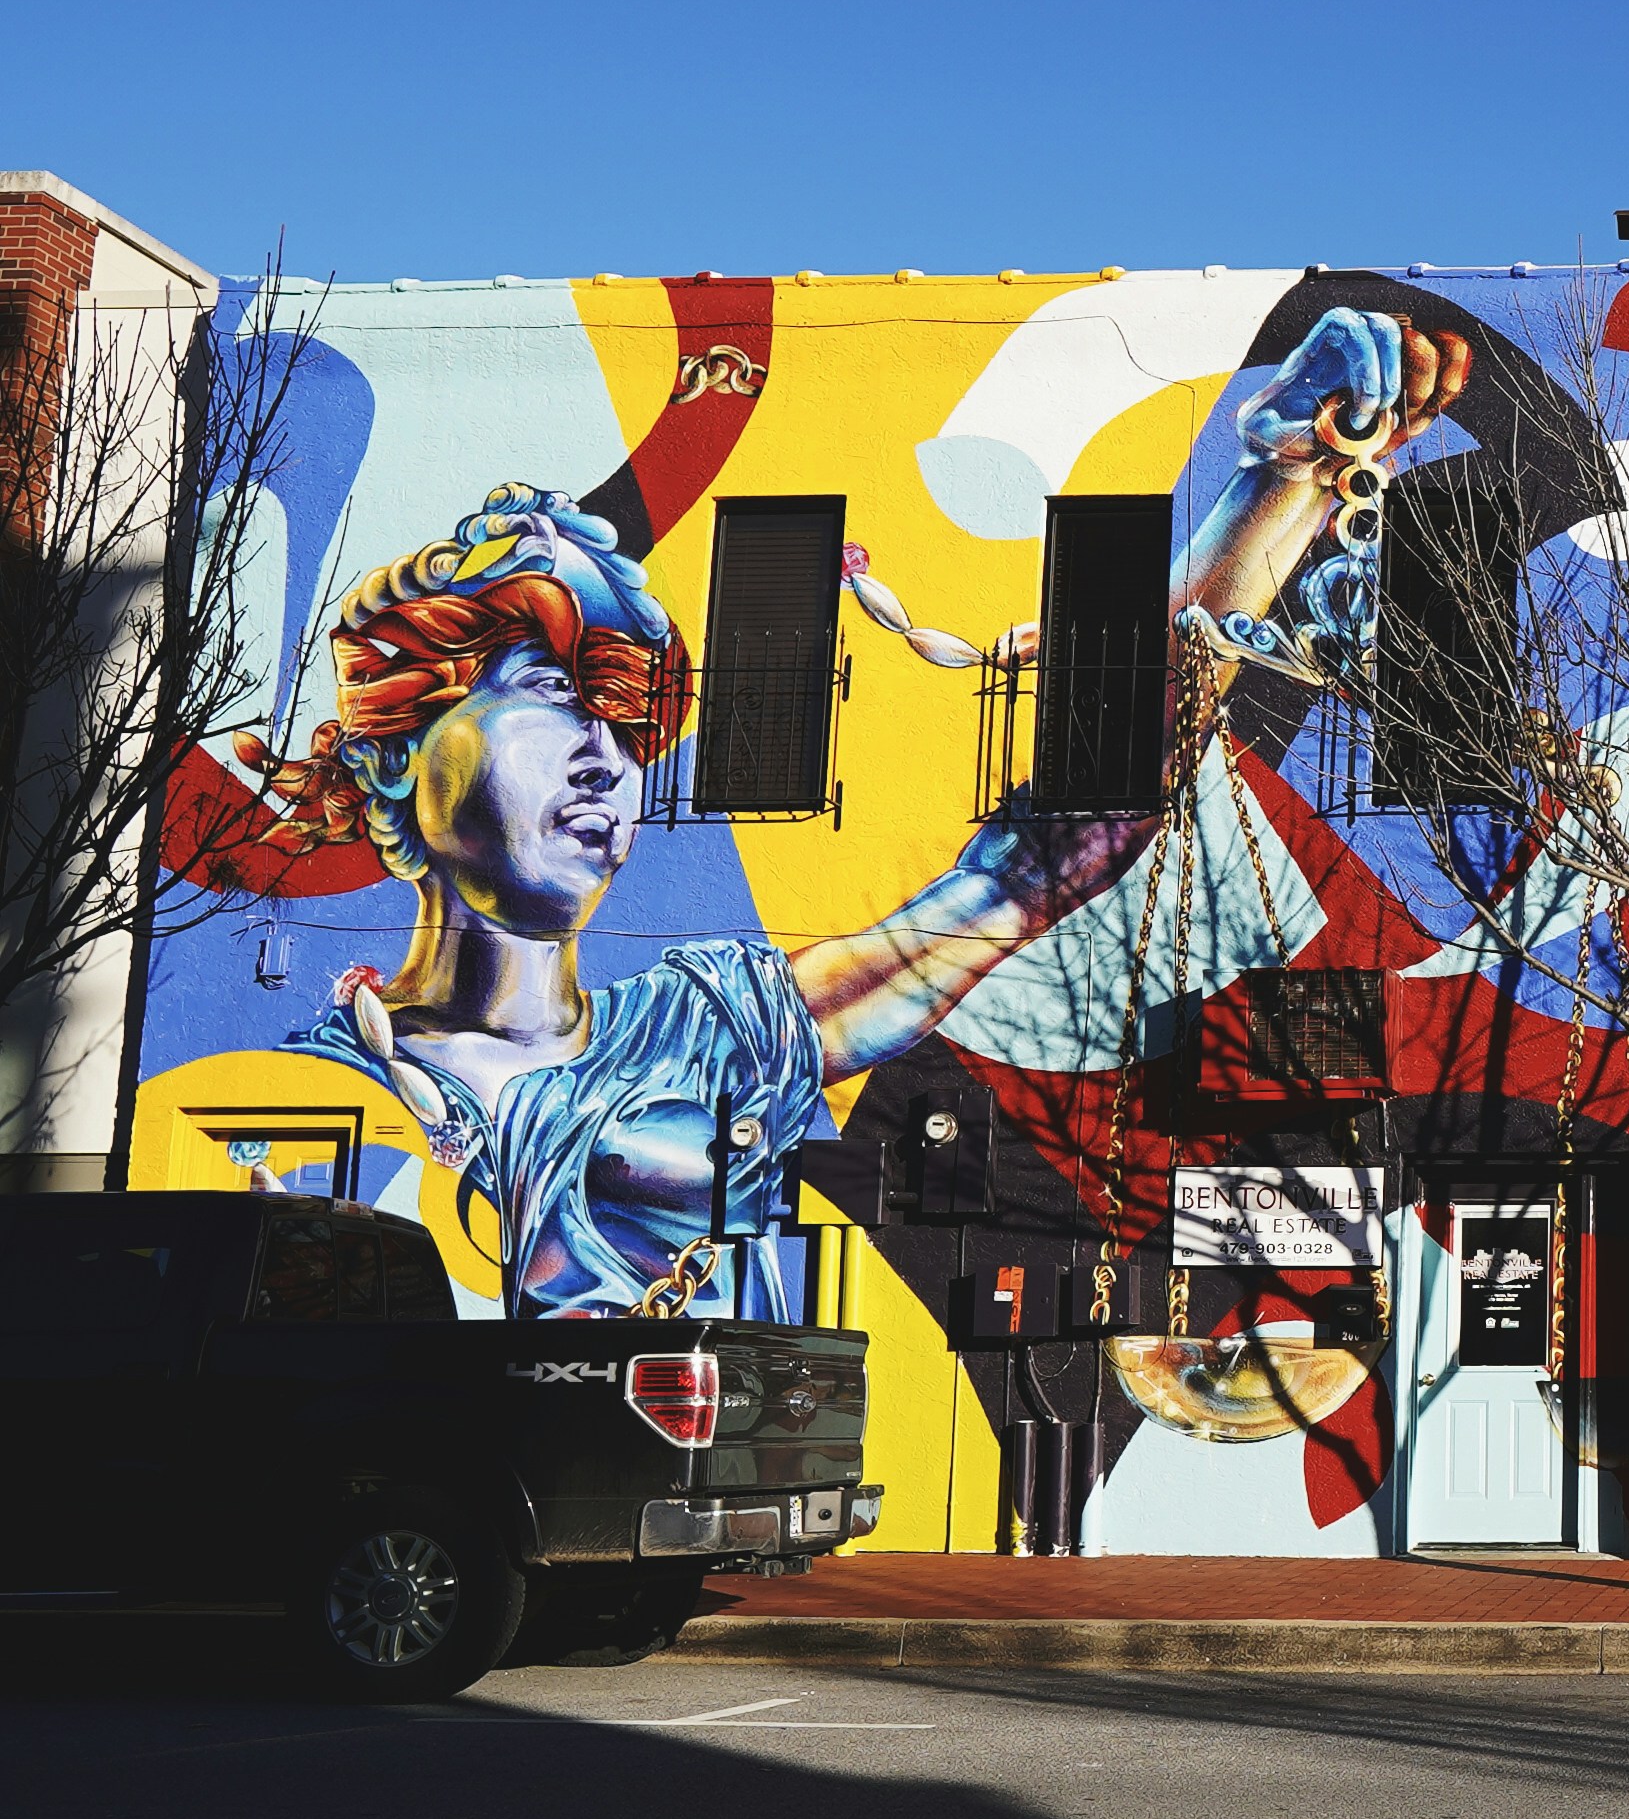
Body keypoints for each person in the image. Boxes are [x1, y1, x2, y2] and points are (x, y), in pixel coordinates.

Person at [242, 312, 1466, 1317]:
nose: (609, 763)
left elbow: (1038, 862)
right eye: (561, 697)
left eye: (628, 729)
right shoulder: (319, 1084)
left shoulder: (708, 1026)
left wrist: (1279, 484)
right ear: (397, 755)